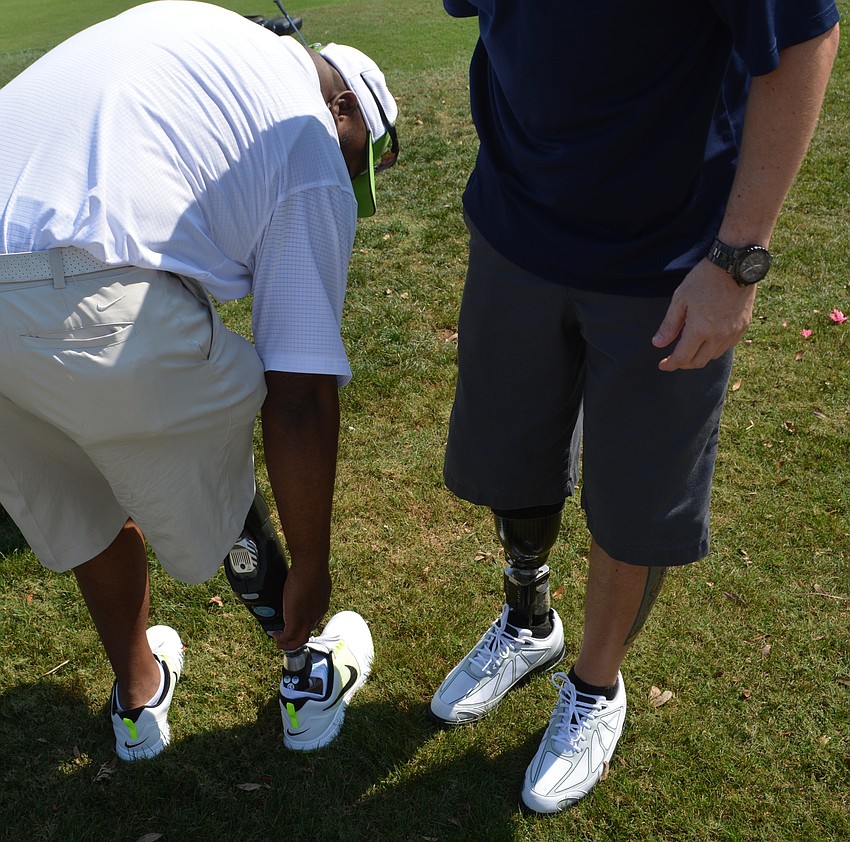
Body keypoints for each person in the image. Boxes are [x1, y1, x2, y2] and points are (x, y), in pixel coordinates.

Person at [431, 0, 839, 814]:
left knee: (635, 502)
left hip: (667, 256)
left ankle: (596, 684)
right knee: (509, 457)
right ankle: (528, 619)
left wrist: (737, 260)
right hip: (517, 227)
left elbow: (805, 36)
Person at [0, 1, 398, 759]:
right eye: (362, 161)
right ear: (343, 109)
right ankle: (304, 676)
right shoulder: (308, 134)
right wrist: (311, 565)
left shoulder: (204, 36)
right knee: (219, 432)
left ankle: (137, 695)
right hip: (89, 293)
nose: (352, 182)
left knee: (78, 491)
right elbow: (300, 396)